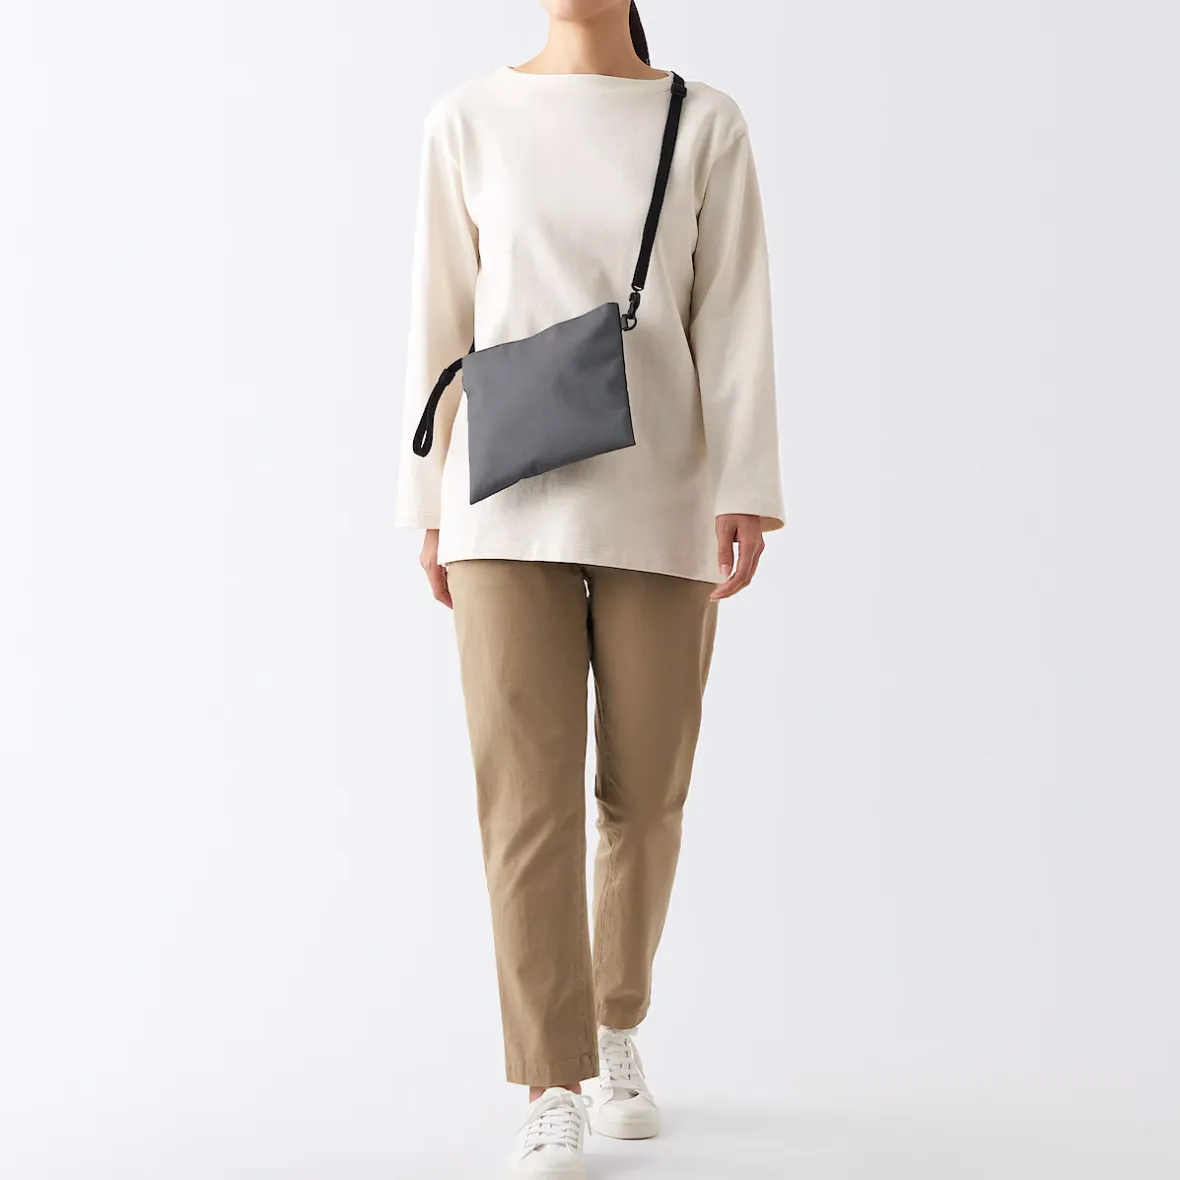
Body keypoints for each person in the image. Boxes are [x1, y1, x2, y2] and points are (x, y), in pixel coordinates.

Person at [396, 2, 784, 1175]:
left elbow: (734, 312)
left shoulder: (703, 121)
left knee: (648, 791)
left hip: (663, 490)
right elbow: (436, 318)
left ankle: (616, 1018)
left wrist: (746, 483)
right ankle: (549, 1078)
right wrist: (427, 501)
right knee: (525, 801)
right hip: (500, 497)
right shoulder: (466, 119)